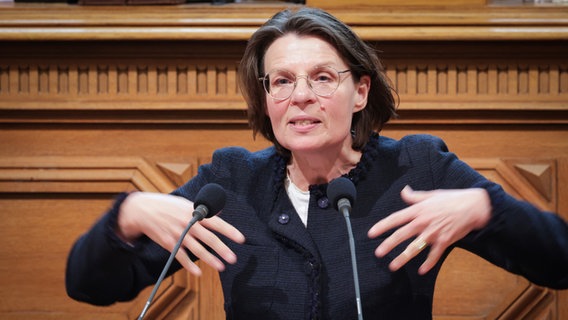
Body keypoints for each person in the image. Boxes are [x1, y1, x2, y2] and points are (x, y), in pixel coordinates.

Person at [65, 7, 568, 320]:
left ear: (359, 92)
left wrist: (488, 207)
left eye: (322, 77)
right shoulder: (231, 183)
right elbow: (89, 286)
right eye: (281, 81)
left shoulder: (416, 169)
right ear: (265, 99)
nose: (300, 97)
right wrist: (124, 216)